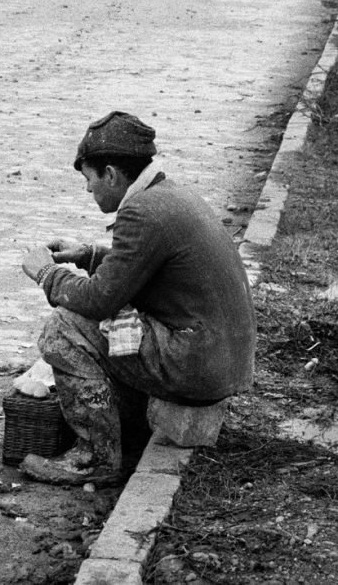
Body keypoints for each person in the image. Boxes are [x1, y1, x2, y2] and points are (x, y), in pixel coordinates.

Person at [20, 111, 256, 486]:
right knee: (100, 325)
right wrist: (87, 255)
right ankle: (127, 426)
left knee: (63, 329)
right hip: (221, 357)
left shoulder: (141, 212)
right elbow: (142, 267)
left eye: (89, 179)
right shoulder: (168, 193)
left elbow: (99, 301)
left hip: (198, 364)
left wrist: (48, 274)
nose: (88, 190)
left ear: (111, 174)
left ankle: (95, 457)